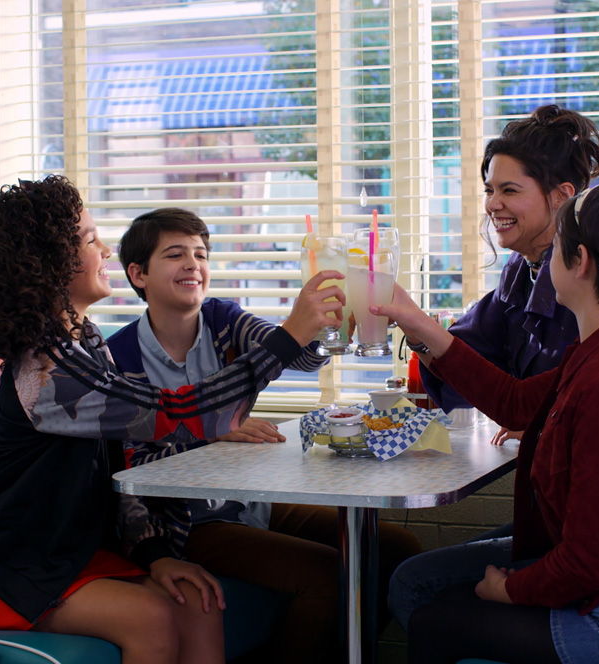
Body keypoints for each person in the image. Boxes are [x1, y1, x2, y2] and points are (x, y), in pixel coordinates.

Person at [0, 176, 343, 664]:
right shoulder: (49, 372)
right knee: (150, 616)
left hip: (69, 550)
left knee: (198, 600)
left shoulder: (84, 345)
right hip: (10, 560)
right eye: (90, 240)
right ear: (48, 265)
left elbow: (120, 468)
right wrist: (291, 333)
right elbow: (181, 412)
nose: (105, 250)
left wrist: (155, 555)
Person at [374, 179, 599, 664]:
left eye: (556, 245)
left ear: (579, 262)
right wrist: (417, 323)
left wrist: (510, 591)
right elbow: (517, 403)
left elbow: (586, 562)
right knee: (420, 585)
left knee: (435, 620)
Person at [106, 208, 423, 664]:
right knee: (328, 575)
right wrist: (212, 432)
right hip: (185, 523)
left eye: (200, 253)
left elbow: (288, 353)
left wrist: (320, 328)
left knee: (398, 549)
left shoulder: (221, 320)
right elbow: (127, 471)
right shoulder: (118, 359)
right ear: (138, 274)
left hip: (248, 501)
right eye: (175, 255)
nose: (193, 264)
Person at [420, 105, 599, 449]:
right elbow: (478, 379)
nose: (492, 204)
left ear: (562, 197)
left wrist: (547, 430)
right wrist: (409, 325)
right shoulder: (519, 273)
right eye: (489, 190)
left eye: (510, 190)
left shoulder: (589, 295)